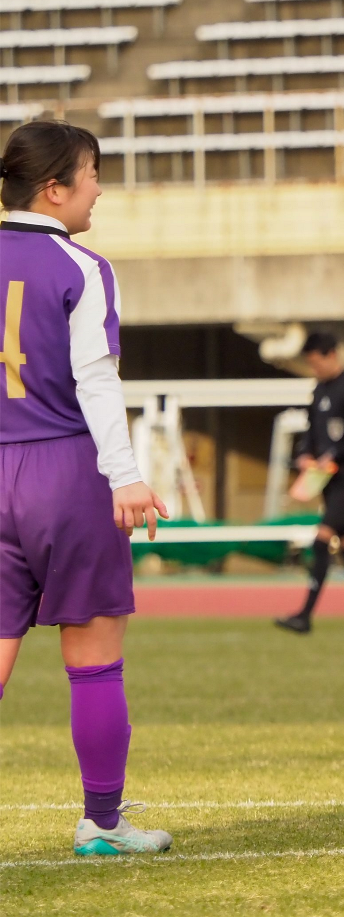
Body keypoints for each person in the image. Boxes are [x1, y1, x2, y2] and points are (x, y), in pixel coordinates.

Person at [0, 120, 172, 855]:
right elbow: (96, 378)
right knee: (95, 657)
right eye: (93, 174)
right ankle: (102, 824)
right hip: (65, 472)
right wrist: (126, 476)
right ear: (55, 188)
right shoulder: (81, 265)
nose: (99, 189)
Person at [275, 332, 344, 635]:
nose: (314, 369)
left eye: (316, 362)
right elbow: (311, 430)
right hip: (327, 481)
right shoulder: (319, 390)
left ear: (332, 355)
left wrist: (332, 455)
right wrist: (305, 454)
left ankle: (304, 616)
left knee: (321, 541)